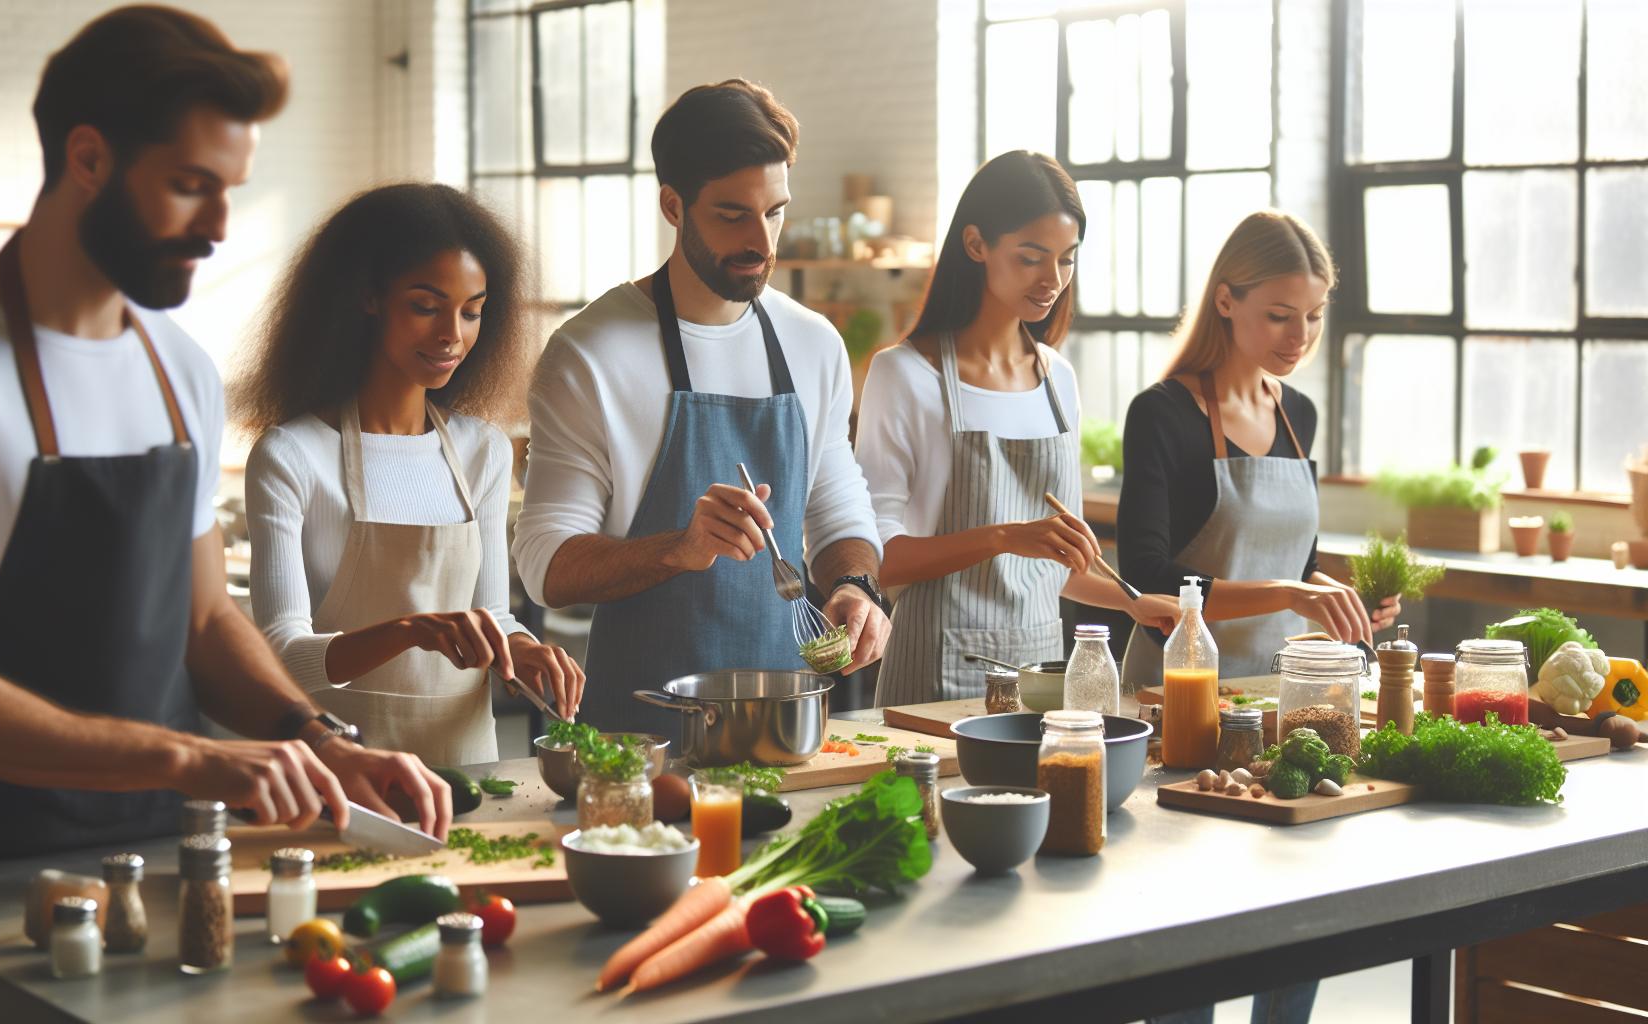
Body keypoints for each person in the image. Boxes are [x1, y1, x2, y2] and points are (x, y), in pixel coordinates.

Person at [0, 5, 450, 868]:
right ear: (88, 159)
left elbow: (204, 617)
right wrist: (191, 759)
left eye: (230, 189)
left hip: (178, 861)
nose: (219, 226)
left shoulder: (179, 370)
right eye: (190, 185)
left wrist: (319, 741)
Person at [512, 79, 891, 734]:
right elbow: (545, 563)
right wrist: (678, 549)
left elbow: (837, 509)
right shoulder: (591, 353)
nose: (762, 242)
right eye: (732, 215)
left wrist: (856, 586)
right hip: (642, 740)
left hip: (784, 730)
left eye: (775, 212)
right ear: (673, 205)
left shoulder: (812, 343)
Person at [234, 183, 583, 766]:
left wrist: (522, 649)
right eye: (426, 306)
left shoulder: (483, 450)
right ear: (368, 298)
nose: (453, 334)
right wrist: (410, 631)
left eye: (471, 311)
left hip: (469, 769)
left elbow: (491, 615)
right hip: (343, 771)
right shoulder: (291, 455)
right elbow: (283, 654)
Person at [856, 151, 1178, 704]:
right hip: (935, 671)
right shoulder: (904, 374)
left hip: (1041, 669)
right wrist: (1005, 537)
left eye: (1067, 259)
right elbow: (878, 560)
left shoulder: (1059, 380)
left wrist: (1133, 603)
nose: (1052, 279)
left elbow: (1061, 566)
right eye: (1031, 257)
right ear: (976, 244)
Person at [1117, 209, 1401, 696]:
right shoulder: (1162, 414)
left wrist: (1341, 598)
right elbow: (1147, 578)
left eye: (1314, 315)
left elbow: (1297, 565)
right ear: (1225, 301)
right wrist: (1291, 593)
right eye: (1279, 316)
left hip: (1278, 687)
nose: (1301, 336)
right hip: (1179, 687)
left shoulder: (1298, 414)